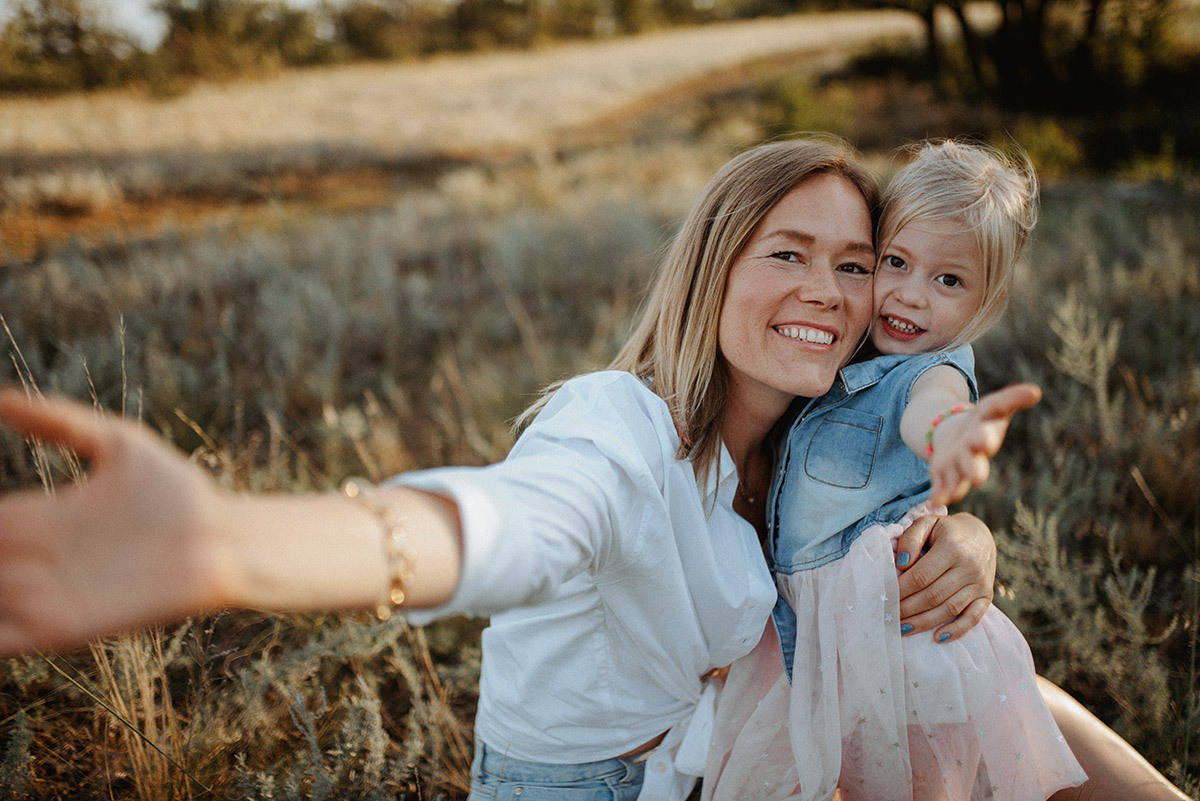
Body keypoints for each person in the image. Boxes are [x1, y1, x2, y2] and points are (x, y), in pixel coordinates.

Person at [0, 138, 1182, 801]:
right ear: (715, 268)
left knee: (1014, 690)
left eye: (860, 263)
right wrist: (233, 546)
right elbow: (508, 522)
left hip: (726, 753)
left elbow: (895, 536)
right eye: (787, 254)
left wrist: (969, 540)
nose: (831, 291)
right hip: (587, 794)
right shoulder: (616, 428)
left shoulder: (795, 450)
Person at [701, 141, 1188, 801]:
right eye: (894, 263)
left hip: (902, 639)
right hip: (822, 654)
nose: (910, 296)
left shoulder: (928, 369)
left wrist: (951, 436)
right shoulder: (833, 368)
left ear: (987, 299)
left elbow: (930, 412)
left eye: (948, 280)